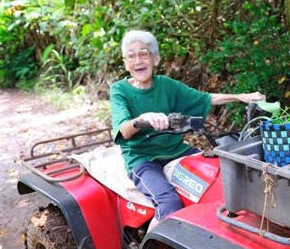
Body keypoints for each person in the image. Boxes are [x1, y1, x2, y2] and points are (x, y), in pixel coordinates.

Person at [110, 30, 265, 224]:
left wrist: (242, 97)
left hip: (177, 150)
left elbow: (204, 98)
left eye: (144, 54)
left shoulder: (166, 85)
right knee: (169, 202)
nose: (138, 60)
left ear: (155, 59)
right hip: (143, 159)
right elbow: (123, 129)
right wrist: (141, 119)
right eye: (131, 56)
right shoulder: (120, 90)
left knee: (220, 175)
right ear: (125, 64)